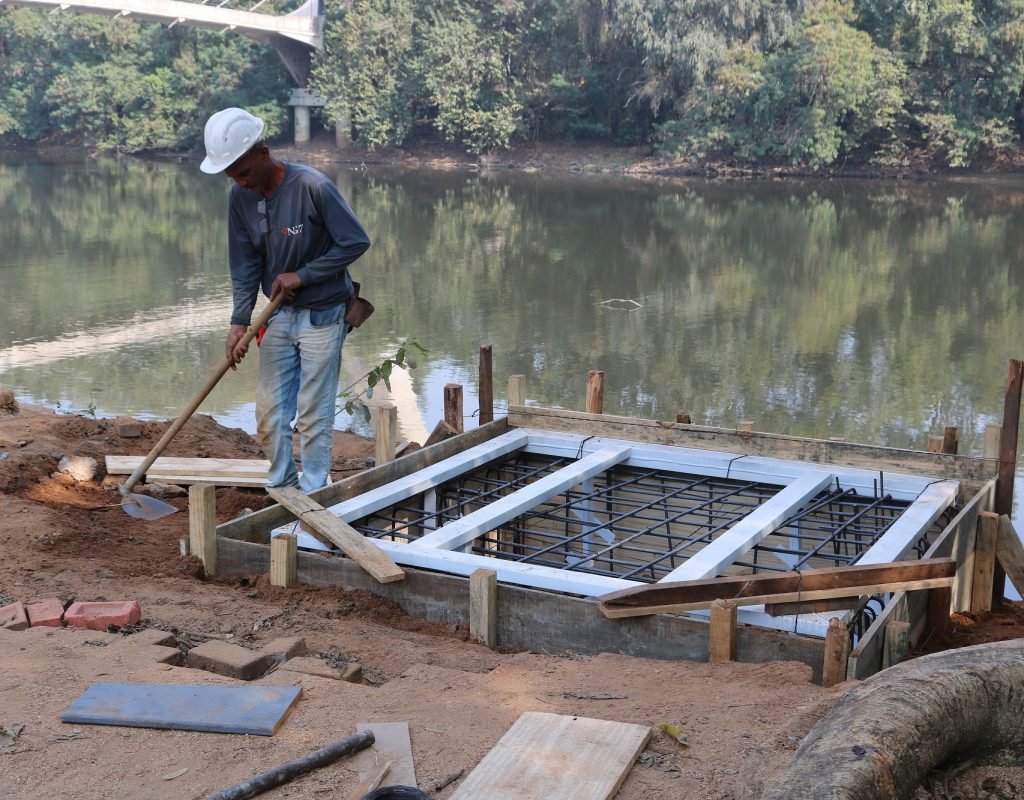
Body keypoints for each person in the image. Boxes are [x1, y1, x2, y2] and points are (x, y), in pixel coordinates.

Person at [200, 107, 370, 492]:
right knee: (270, 414)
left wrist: (304, 275)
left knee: (312, 413)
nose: (240, 183)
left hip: (324, 316)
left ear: (263, 153)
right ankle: (281, 487)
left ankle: (313, 495)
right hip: (277, 317)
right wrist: (238, 321)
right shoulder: (239, 198)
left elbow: (356, 241)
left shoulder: (313, 186)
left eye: (243, 173)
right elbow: (244, 262)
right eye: (232, 176)